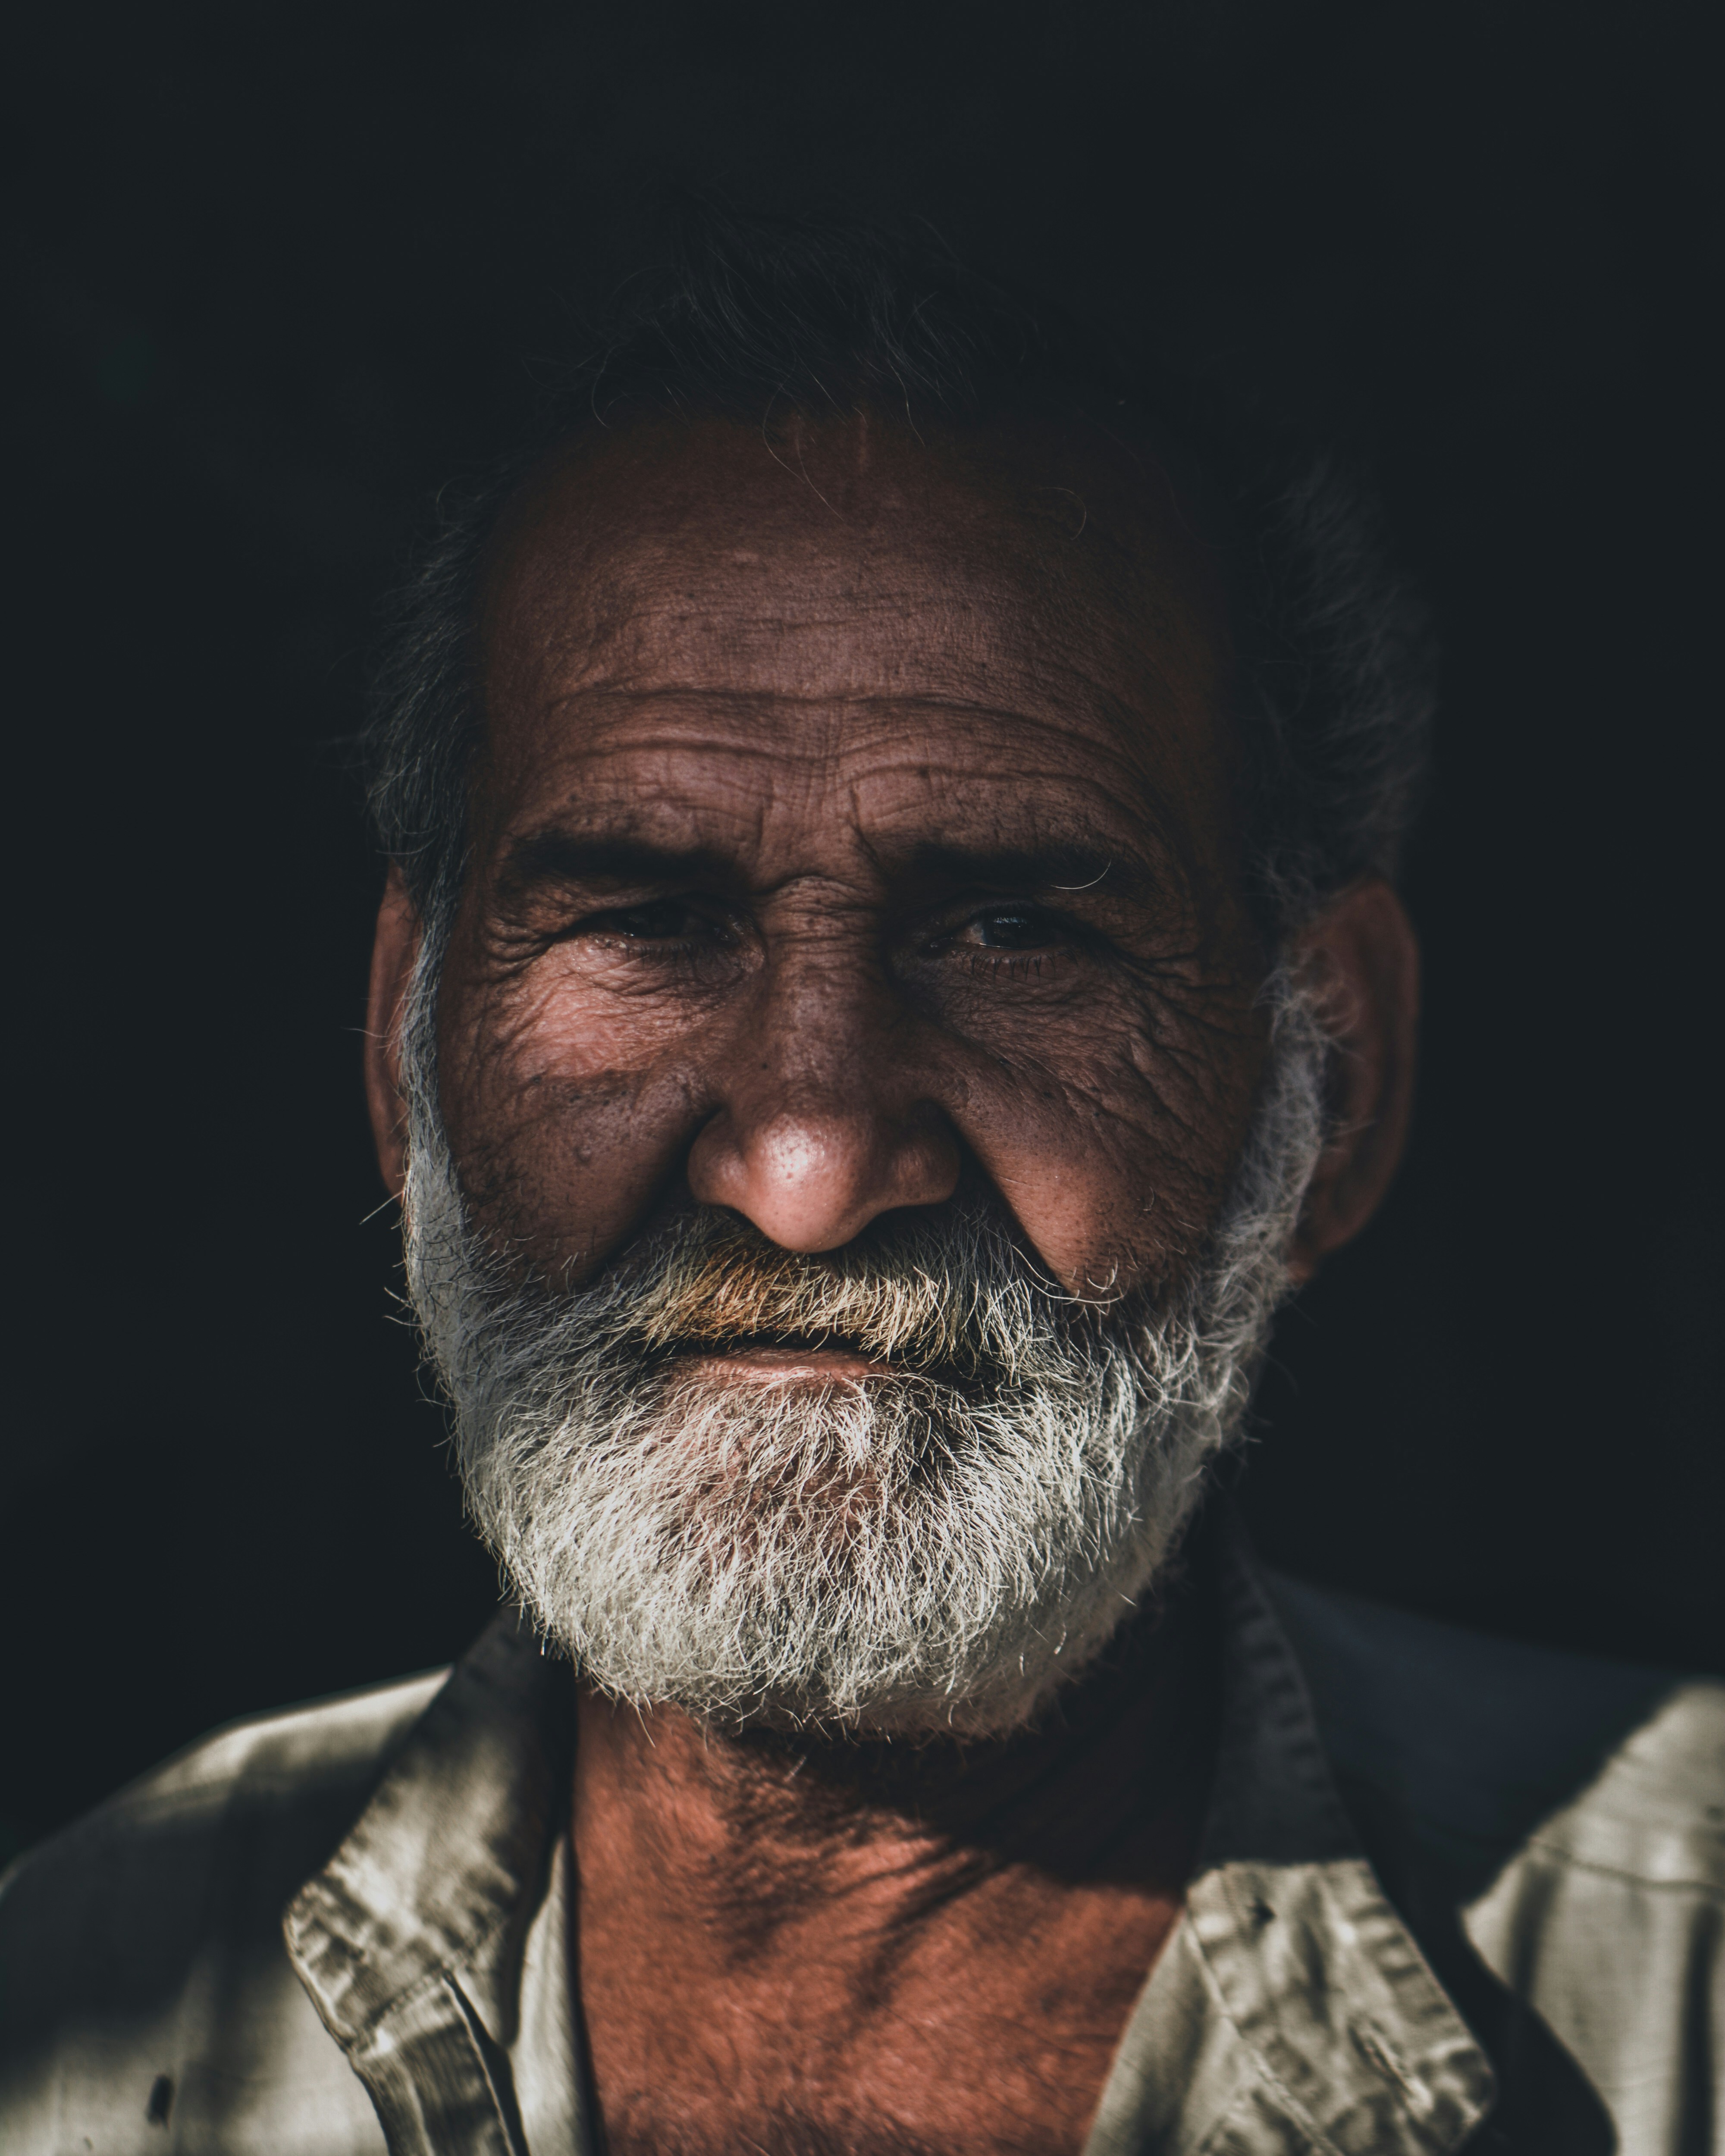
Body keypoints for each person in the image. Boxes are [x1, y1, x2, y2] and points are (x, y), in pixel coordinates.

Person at [1, 222, 1718, 2156]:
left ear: (1333, 1077)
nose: (808, 1170)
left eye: (1010, 930)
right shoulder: (58, 2028)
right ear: (410, 1046)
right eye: (648, 920)